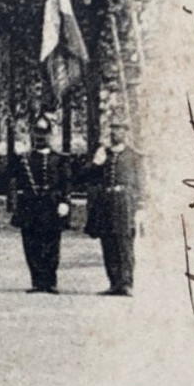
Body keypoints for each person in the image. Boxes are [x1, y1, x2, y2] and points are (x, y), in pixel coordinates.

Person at [10, 115, 72, 293]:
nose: (40, 137)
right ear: (32, 134)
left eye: (44, 133)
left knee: (52, 244)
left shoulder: (59, 159)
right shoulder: (25, 158)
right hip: (30, 205)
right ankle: (37, 281)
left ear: (50, 134)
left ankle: (50, 281)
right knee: (31, 243)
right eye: (37, 133)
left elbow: (66, 182)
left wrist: (65, 202)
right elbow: (12, 175)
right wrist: (17, 155)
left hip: (51, 204)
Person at [86, 114, 140, 296]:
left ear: (125, 132)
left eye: (120, 129)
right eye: (113, 129)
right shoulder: (104, 154)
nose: (116, 132)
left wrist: (139, 208)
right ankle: (114, 282)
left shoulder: (133, 155)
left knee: (124, 243)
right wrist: (96, 163)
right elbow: (87, 177)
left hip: (124, 202)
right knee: (108, 242)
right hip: (106, 203)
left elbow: (140, 184)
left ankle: (126, 283)